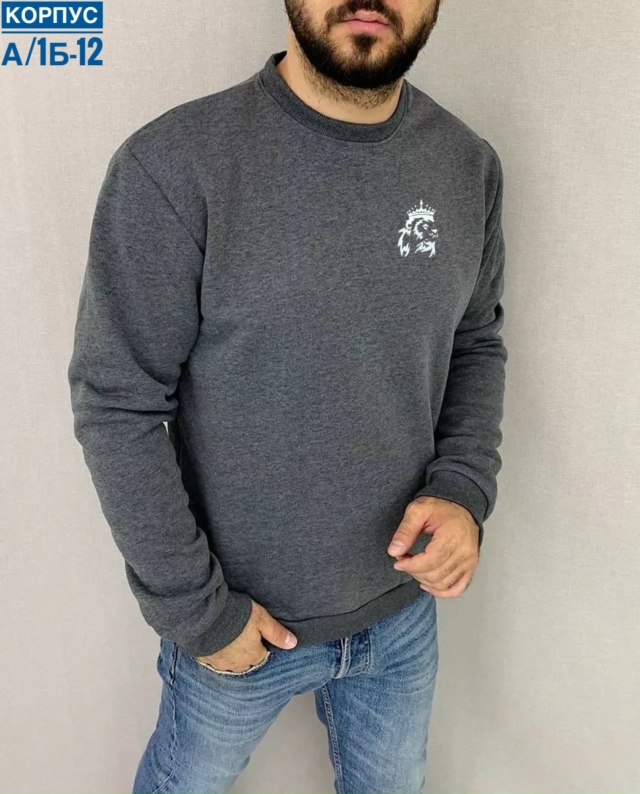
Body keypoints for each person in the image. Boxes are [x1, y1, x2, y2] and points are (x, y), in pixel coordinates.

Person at [67, 1, 508, 792]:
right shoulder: (175, 165)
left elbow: (474, 342)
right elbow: (117, 403)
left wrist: (462, 489)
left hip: (402, 615)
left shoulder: (466, 165)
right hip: (238, 626)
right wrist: (200, 614)